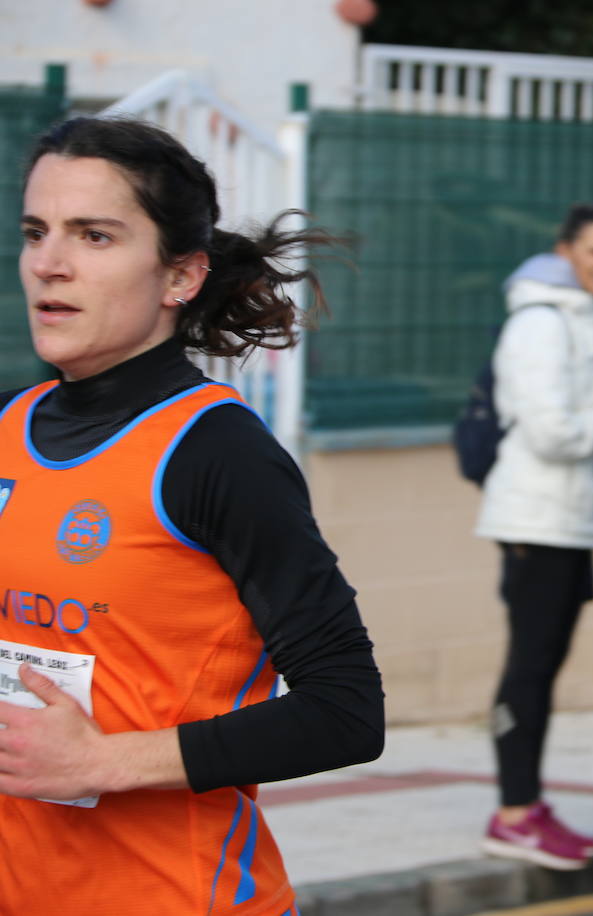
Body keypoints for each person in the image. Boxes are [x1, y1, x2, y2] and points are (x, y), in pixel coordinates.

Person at [0, 116, 385, 915]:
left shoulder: (217, 452)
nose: (49, 263)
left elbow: (345, 712)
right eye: (36, 232)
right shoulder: (10, 426)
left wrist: (102, 763)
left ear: (179, 276)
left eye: (94, 236)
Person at [474, 203, 593, 870]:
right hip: (536, 520)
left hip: (567, 519)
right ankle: (513, 813)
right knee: (530, 667)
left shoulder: (580, 318)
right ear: (566, 251)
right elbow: (552, 430)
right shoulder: (540, 322)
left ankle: (526, 805)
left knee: (543, 664)